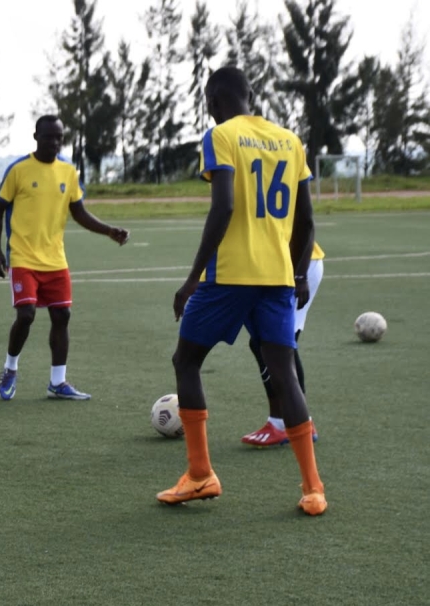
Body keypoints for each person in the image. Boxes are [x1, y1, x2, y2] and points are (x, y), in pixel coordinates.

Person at [157, 65, 326, 516]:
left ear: (212, 102)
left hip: (229, 276)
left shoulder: (221, 136)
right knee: (284, 374)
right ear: (250, 94)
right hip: (276, 278)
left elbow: (225, 205)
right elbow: (307, 221)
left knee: (186, 360)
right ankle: (313, 488)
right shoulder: (290, 141)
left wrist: (192, 279)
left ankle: (199, 475)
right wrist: (297, 275)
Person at [0, 115, 129, 402]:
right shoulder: (18, 170)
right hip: (23, 256)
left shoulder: (68, 171)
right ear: (36, 136)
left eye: (59, 137)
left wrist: (108, 231)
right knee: (26, 315)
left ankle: (57, 382)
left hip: (55, 260)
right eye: (49, 136)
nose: (54, 142)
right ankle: (10, 369)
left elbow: (79, 212)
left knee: (62, 315)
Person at [242, 241, 324, 447]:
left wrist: (300, 275)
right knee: (265, 344)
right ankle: (292, 423)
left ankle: (288, 424)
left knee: (277, 347)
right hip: (277, 266)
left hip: (294, 267)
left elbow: (306, 223)